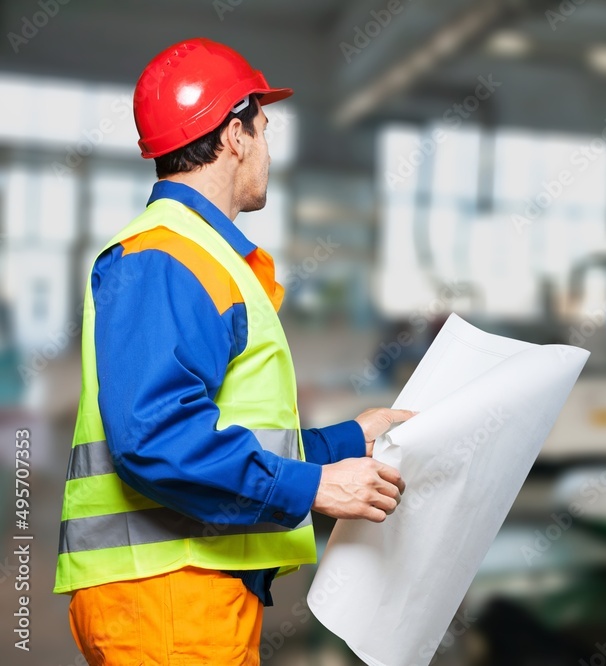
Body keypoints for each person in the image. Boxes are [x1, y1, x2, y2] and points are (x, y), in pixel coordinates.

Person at [53, 37, 411, 665]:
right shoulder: (169, 257)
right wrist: (314, 487)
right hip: (167, 600)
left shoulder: (200, 255)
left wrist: (353, 438)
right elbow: (154, 437)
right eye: (264, 131)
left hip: (188, 596)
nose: (268, 151)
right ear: (234, 135)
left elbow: (235, 433)